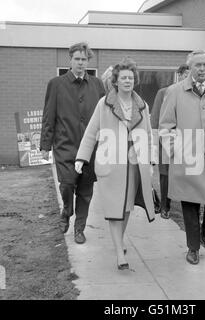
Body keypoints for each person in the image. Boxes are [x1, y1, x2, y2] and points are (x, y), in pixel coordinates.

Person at [75, 58, 155, 270]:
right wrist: (81, 157)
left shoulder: (143, 106)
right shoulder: (105, 104)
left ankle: (119, 240)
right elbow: (91, 132)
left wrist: (151, 160)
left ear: (134, 81)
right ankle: (120, 252)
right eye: (123, 78)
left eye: (131, 78)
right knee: (114, 207)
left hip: (134, 164)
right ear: (116, 81)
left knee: (127, 207)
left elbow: (147, 135)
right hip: (110, 163)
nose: (127, 81)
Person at [159, 50, 205, 264]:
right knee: (190, 204)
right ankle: (193, 247)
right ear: (189, 67)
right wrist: (177, 150)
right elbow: (165, 127)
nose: (202, 69)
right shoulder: (174, 92)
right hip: (188, 157)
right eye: (197, 65)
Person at [40, 42, 105, 244]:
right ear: (70, 60)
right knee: (67, 185)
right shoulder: (56, 84)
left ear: (88, 61)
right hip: (65, 146)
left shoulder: (97, 84)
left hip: (90, 149)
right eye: (77, 59)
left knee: (85, 192)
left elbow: (104, 116)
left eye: (84, 59)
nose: (80, 63)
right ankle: (66, 211)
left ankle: (79, 229)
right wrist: (45, 145)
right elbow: (48, 115)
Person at [150, 64, 189, 219]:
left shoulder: (192, 94)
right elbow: (155, 120)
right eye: (185, 74)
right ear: (179, 75)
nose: (188, 78)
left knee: (187, 174)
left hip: (187, 141)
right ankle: (165, 206)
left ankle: (189, 207)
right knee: (166, 175)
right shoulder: (164, 92)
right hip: (166, 140)